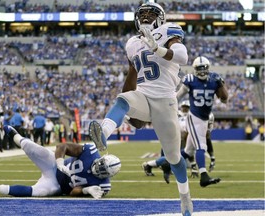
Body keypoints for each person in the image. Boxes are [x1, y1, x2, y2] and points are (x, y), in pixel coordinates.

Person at [88, 2, 193, 216]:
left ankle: (185, 199)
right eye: (142, 13)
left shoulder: (167, 30)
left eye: (151, 13)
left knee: (174, 158)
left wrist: (157, 47)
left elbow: (183, 57)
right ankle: (103, 133)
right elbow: (132, 74)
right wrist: (132, 111)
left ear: (160, 17)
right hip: (143, 95)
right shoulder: (132, 43)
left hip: (166, 101)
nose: (145, 16)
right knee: (122, 100)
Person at [0, 125, 121, 199]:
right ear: (101, 159)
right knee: (34, 148)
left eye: (103, 171)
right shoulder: (90, 151)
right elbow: (62, 146)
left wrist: (86, 190)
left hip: (57, 186)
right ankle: (15, 135)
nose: (99, 169)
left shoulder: (104, 185)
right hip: (54, 165)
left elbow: (73, 193)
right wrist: (60, 163)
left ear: (108, 176)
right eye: (101, 165)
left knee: (37, 192)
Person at [177, 56, 228, 187]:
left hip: (204, 119)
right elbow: (177, 96)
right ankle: (203, 176)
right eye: (199, 68)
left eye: (203, 68)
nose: (201, 71)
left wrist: (221, 84)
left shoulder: (214, 80)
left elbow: (224, 99)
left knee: (187, 152)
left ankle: (161, 163)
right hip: (194, 117)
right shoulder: (190, 80)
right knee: (201, 146)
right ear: (194, 69)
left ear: (208, 68)